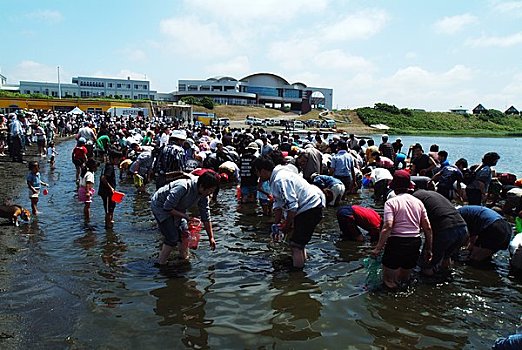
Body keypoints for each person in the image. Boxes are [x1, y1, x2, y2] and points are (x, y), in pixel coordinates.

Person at [254, 155, 325, 269]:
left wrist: (287, 225)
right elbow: (278, 205)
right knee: (298, 242)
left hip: (309, 208)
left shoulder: (280, 179)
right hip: (308, 207)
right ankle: (302, 263)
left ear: (262, 170)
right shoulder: (276, 177)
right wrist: (276, 225)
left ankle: (297, 276)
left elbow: (292, 206)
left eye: (257, 172)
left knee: (295, 245)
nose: (257, 176)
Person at [371, 170, 433, 290]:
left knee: (389, 281)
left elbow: (388, 226)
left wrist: (378, 248)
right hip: (414, 242)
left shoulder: (391, 202)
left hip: (396, 242)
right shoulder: (418, 202)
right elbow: (428, 228)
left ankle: (390, 303)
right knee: (404, 279)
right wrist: (429, 249)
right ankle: (404, 301)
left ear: (394, 187)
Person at [151, 171, 219, 266]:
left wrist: (211, 237)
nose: (210, 194)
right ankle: (160, 264)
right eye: (210, 191)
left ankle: (184, 258)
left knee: (184, 232)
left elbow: (206, 216)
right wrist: (185, 216)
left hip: (178, 207)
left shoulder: (203, 195)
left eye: (212, 191)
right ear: (202, 186)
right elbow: (167, 208)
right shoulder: (183, 187)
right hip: (160, 206)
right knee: (172, 237)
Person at [412, 190, 468, 275]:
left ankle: (428, 285)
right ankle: (445, 279)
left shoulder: (413, 198)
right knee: (446, 257)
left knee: (427, 264)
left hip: (445, 230)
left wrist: (428, 247)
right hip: (462, 228)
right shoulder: (431, 194)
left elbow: (419, 224)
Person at [99, 150, 123, 229]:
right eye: (118, 159)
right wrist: (111, 188)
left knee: (112, 208)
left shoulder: (109, 165)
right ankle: (108, 227)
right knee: (108, 210)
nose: (119, 161)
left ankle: (110, 223)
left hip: (109, 192)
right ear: (113, 158)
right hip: (107, 192)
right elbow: (103, 178)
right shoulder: (109, 166)